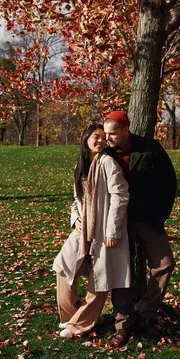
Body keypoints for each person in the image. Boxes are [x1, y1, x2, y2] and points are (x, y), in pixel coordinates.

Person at [103, 111, 177, 348]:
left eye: (112, 133)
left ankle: (145, 313)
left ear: (126, 129)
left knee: (164, 264)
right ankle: (123, 324)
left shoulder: (150, 148)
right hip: (117, 222)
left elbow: (169, 180)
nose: (108, 138)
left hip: (148, 219)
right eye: (105, 134)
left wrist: (162, 212)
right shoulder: (103, 153)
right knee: (121, 272)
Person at [53, 123, 131, 338]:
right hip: (82, 229)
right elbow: (76, 200)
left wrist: (112, 230)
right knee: (64, 268)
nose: (100, 141)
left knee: (99, 280)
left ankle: (80, 325)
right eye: (96, 137)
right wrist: (75, 218)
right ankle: (72, 317)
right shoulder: (81, 166)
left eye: (103, 138)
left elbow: (121, 195)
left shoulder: (107, 163)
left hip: (104, 232)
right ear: (86, 138)